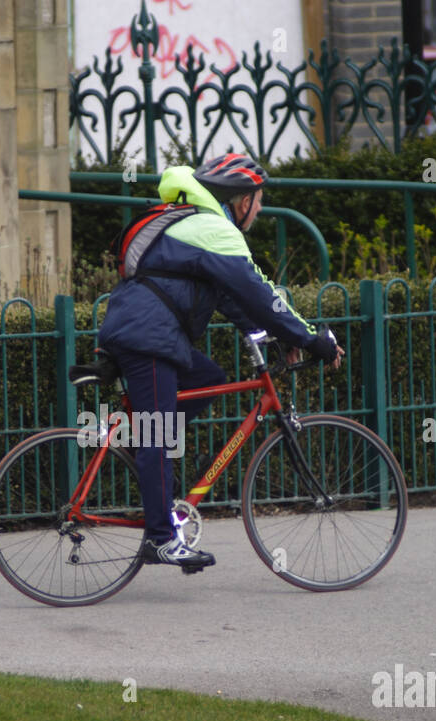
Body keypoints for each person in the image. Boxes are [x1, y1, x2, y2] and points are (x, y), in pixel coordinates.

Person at [97, 153, 344, 571]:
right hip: (148, 340)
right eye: (259, 199)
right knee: (158, 434)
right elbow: (258, 291)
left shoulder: (195, 222)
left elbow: (232, 298)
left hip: (148, 334)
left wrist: (275, 337)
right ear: (240, 199)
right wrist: (310, 338)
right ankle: (160, 539)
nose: (261, 209)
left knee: (208, 378)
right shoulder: (212, 228)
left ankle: (143, 447)